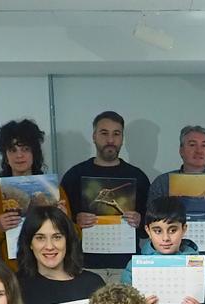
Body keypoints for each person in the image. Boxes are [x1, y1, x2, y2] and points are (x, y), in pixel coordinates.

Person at [59, 111, 151, 283]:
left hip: (126, 266)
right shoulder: (74, 175)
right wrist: (74, 222)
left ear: (122, 138)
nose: (110, 140)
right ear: (94, 136)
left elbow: (151, 224)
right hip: (84, 266)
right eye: (104, 133)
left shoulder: (138, 177)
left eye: (116, 134)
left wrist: (140, 220)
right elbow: (59, 222)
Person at [0, 119, 73, 268]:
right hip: (8, 274)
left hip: (48, 271)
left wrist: (65, 220)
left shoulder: (55, 190)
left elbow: (74, 238)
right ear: (6, 156)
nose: (19, 156)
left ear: (35, 153)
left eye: (25, 149)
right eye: (12, 150)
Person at [147, 125, 205, 279]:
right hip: (170, 264)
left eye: (204, 145)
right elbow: (148, 228)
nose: (199, 150)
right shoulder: (163, 182)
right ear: (181, 150)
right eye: (192, 145)